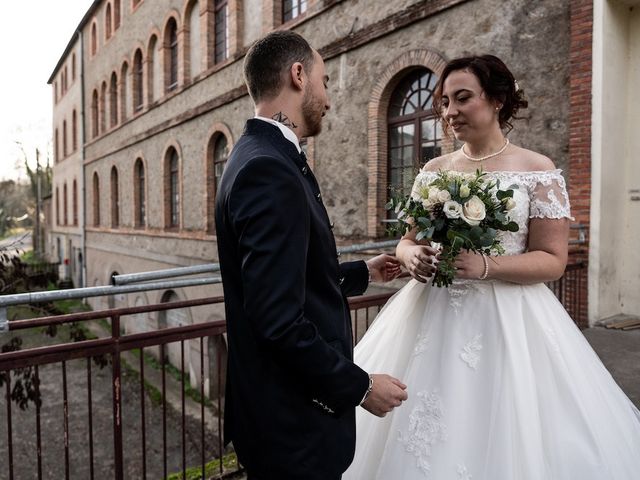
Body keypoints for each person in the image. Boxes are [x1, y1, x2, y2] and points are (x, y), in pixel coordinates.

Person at [344, 54, 640, 479]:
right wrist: (410, 255)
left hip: (512, 321)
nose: (450, 112)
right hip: (431, 314)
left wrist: (485, 265)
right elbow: (408, 240)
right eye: (444, 102)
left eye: (462, 98)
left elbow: (553, 260)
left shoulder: (537, 171)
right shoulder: (433, 171)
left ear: (497, 99)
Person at [214, 31, 408, 480]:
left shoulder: (254, 155)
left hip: (276, 421)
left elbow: (282, 280)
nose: (328, 99)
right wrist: (360, 388)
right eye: (324, 81)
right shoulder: (269, 169)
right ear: (298, 75)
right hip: (293, 427)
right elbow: (278, 319)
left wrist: (361, 271)